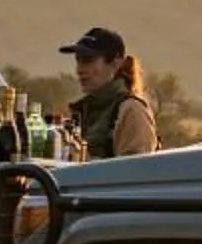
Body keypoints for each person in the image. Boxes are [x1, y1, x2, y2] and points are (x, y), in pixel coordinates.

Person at [61, 25, 158, 158]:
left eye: (88, 60)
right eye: (78, 60)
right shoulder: (83, 111)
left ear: (115, 63)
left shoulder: (131, 110)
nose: (79, 70)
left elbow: (135, 173)